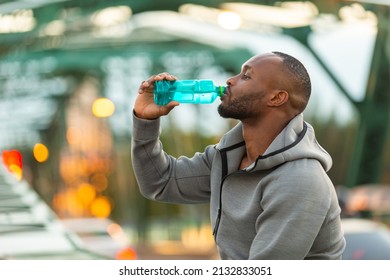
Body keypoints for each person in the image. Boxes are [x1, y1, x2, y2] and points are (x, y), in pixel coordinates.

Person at [131, 51, 346, 259]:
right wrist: (145, 120)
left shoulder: (300, 180)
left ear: (277, 97)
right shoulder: (226, 158)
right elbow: (160, 182)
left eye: (246, 76)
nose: (230, 81)